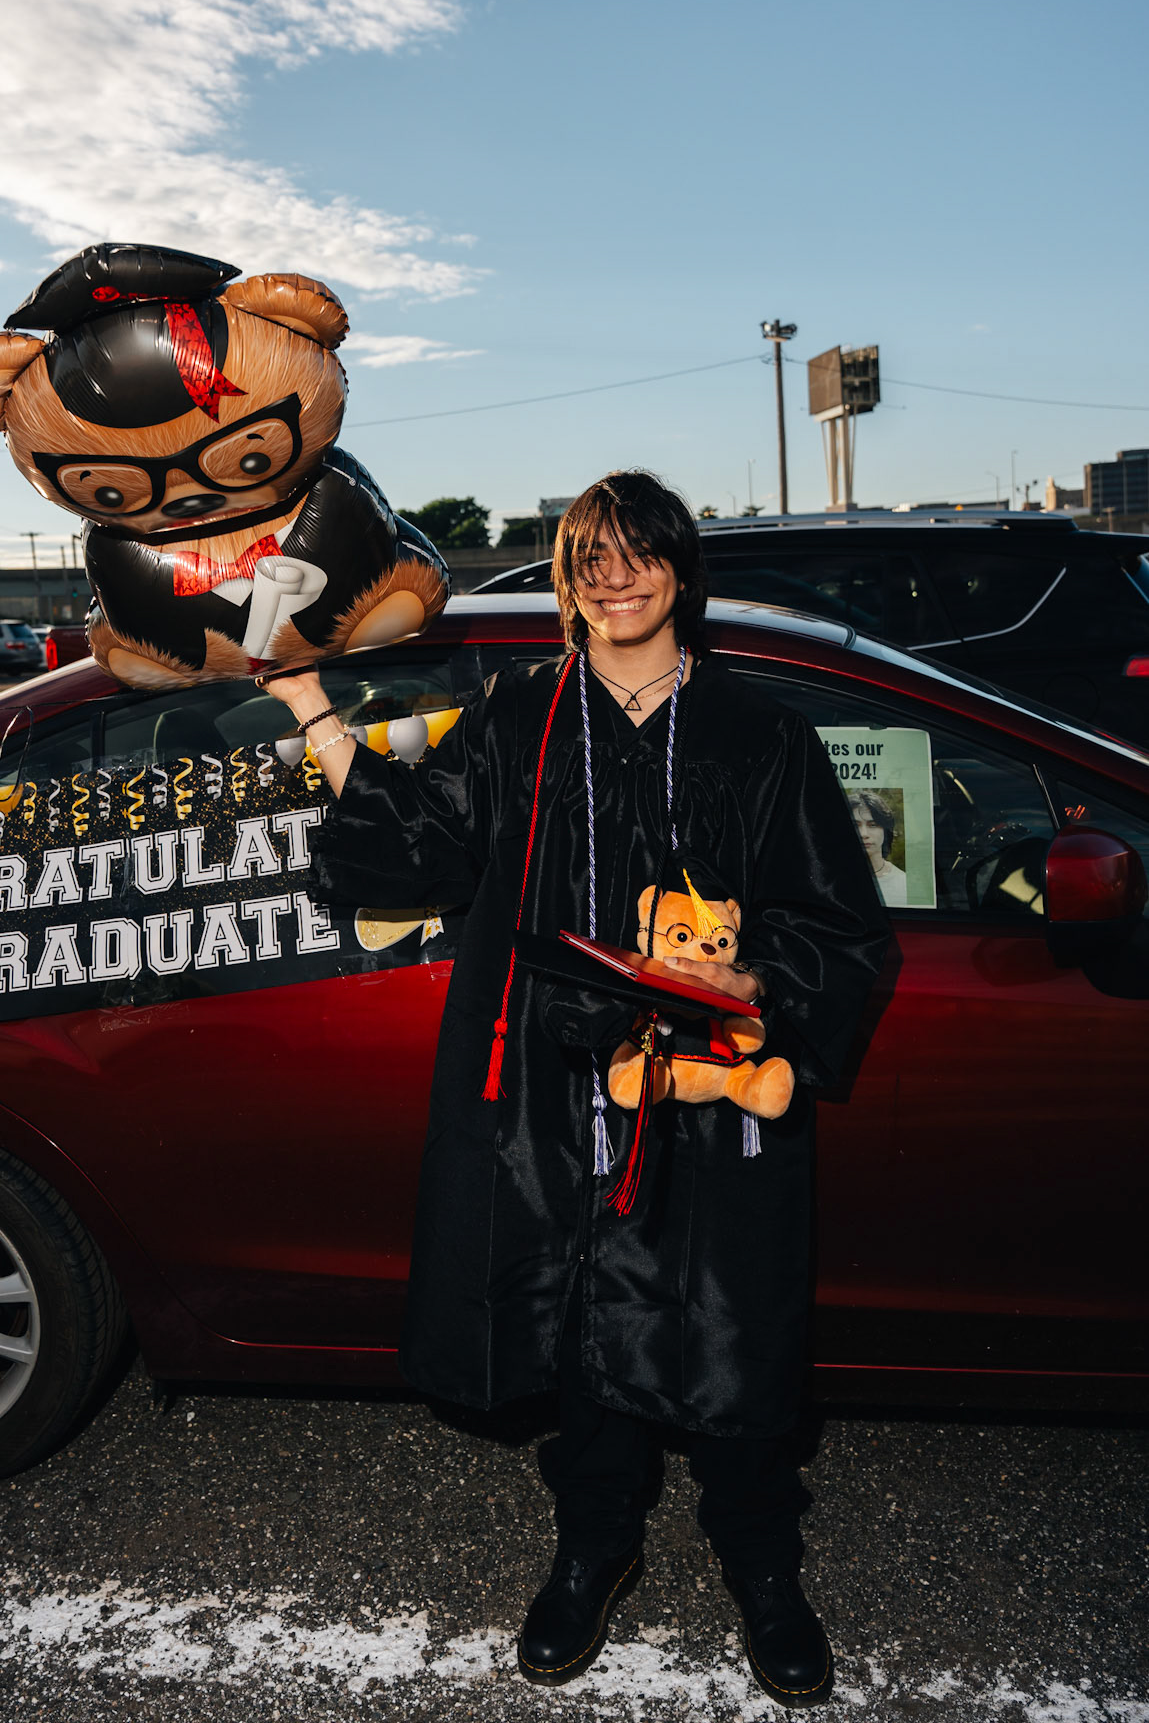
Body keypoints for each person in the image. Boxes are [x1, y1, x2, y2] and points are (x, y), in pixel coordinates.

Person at [263, 469, 891, 1709]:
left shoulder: (757, 731)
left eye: (637, 554)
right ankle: (596, 1542)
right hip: (569, 1084)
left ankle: (763, 1560)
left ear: (680, 570)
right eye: (590, 559)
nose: (615, 577)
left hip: (715, 1083)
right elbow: (423, 835)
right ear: (567, 582)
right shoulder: (523, 716)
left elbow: (838, 920)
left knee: (731, 1318)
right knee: (588, 1312)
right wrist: (308, 704)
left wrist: (751, 976)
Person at [849, 789, 909, 904]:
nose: (863, 834)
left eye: (873, 825)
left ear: (885, 831)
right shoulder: (827, 880)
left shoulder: (904, 884)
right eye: (855, 825)